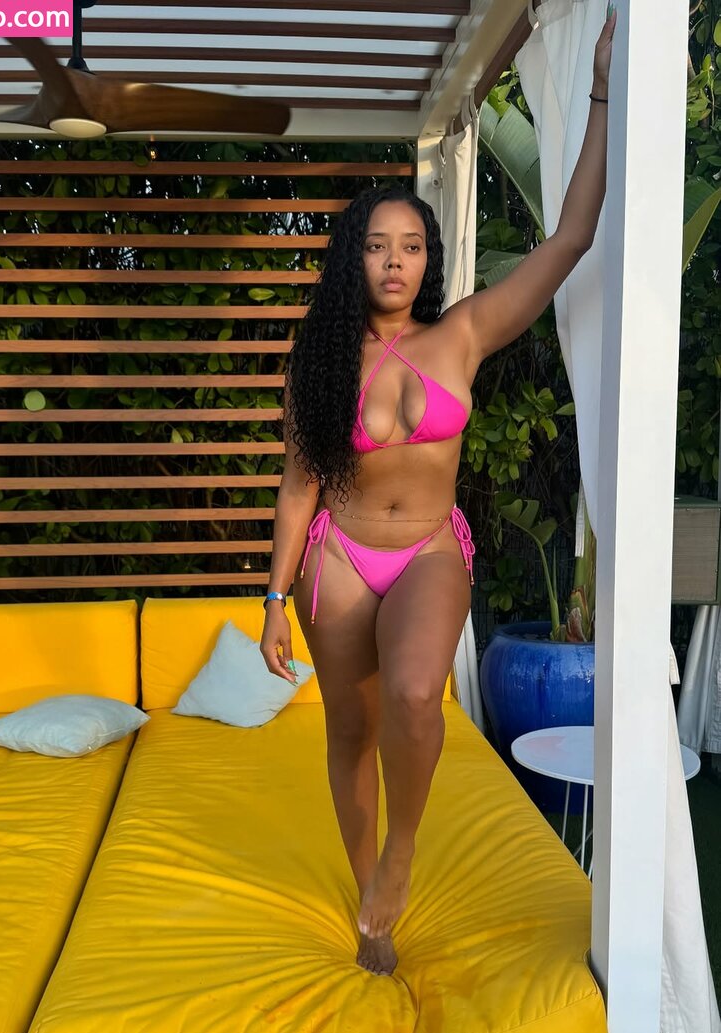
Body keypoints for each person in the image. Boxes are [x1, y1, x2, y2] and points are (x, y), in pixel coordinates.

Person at [260, 9, 616, 977]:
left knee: (419, 689)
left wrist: (598, 92)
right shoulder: (321, 355)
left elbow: (572, 239)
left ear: (430, 259)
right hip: (337, 555)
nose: (395, 262)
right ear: (355, 257)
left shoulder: (463, 334)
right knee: (350, 730)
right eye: (378, 246)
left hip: (424, 548)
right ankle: (368, 902)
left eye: (411, 246)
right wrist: (273, 598)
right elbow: (297, 486)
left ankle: (401, 852)